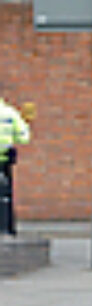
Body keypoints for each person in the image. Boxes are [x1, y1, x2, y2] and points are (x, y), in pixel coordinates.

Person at [0, 90, 31, 237]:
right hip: (5, 159)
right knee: (5, 194)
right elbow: (24, 137)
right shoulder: (10, 113)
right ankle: (6, 227)